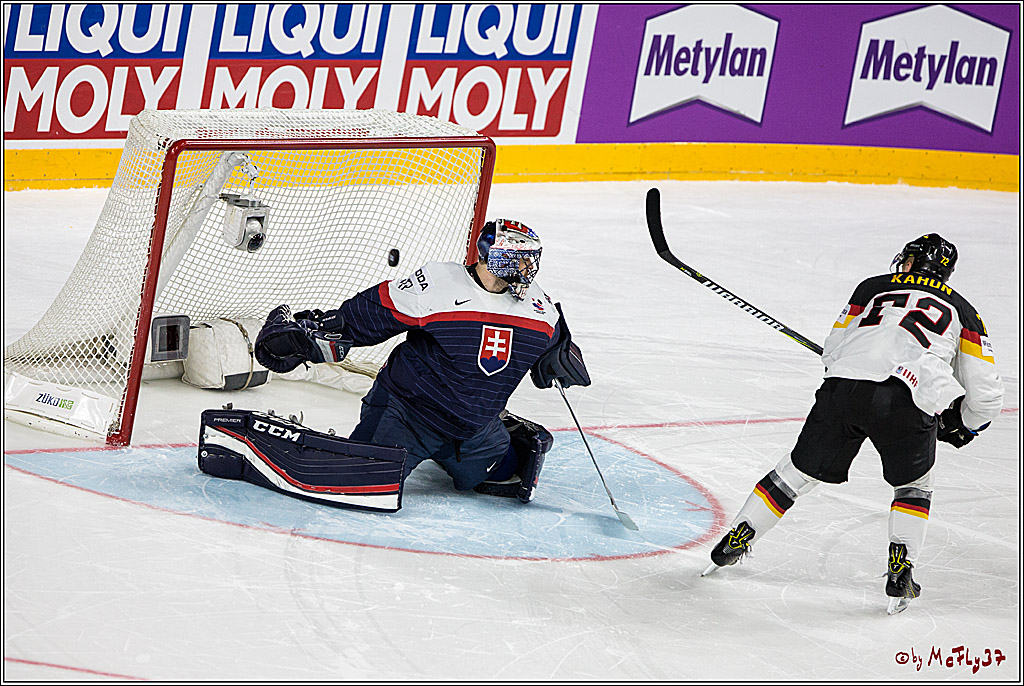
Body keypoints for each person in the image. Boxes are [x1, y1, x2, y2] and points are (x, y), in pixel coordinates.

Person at [704, 234, 1003, 614]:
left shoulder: (872, 287)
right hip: (906, 399)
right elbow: (988, 397)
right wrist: (964, 422)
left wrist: (853, 362)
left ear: (910, 261)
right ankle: (900, 569)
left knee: (794, 473)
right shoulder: (965, 312)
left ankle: (740, 534)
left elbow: (833, 348)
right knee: (913, 487)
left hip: (843, 390)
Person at [253, 219, 590, 503]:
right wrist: (316, 335)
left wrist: (561, 354)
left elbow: (556, 345)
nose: (528, 268)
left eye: (531, 260)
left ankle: (480, 439)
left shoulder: (539, 307)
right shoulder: (439, 284)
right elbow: (370, 316)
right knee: (359, 485)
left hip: (473, 430)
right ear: (497, 257)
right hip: (407, 414)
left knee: (510, 479)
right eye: (520, 259)